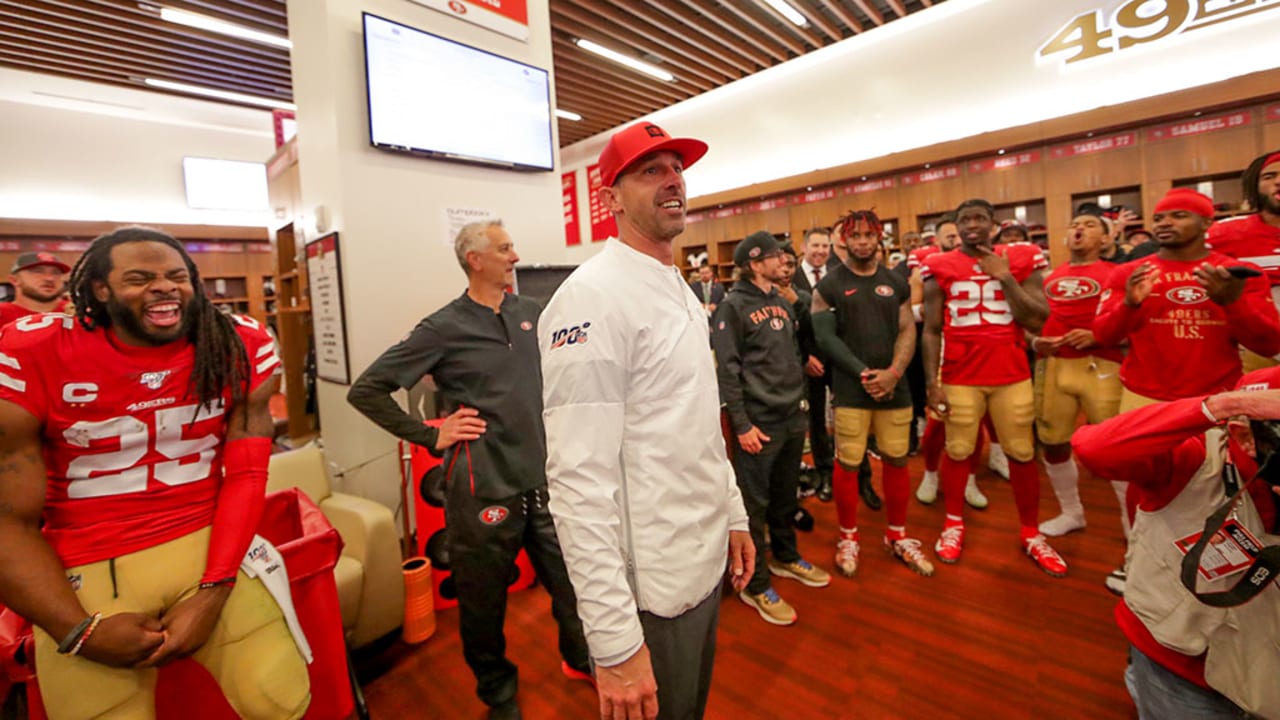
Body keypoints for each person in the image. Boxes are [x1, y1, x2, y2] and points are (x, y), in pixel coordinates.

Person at [0, 226, 309, 719]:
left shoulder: (237, 343)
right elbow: (7, 521)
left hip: (209, 538)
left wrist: (214, 589)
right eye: (140, 278)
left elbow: (247, 476)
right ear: (100, 290)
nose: (163, 287)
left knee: (278, 695)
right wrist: (76, 630)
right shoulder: (33, 351)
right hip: (88, 559)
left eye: (176, 276)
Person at [539, 121, 753, 720]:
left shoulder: (676, 287)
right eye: (650, 171)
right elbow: (578, 486)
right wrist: (611, 641)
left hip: (703, 562)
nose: (672, 181)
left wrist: (732, 513)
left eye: (676, 169)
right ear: (611, 199)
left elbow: (697, 424)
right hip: (651, 594)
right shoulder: (591, 299)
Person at [347, 220, 590, 720]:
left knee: (573, 587)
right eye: (504, 249)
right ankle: (498, 694)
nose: (515, 256)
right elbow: (367, 389)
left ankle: (579, 657)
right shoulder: (443, 327)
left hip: (545, 484)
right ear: (475, 260)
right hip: (484, 490)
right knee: (483, 609)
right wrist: (432, 433)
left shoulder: (532, 314)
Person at [1073, 369, 1280, 720]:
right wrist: (1223, 404)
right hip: (1181, 661)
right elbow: (1094, 448)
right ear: (1245, 432)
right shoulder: (1199, 458)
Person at [921, 199, 1067, 575]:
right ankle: (953, 523)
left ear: (994, 224)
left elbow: (1038, 317)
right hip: (959, 376)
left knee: (1020, 451)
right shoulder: (939, 265)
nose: (972, 225)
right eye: (964, 219)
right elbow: (932, 329)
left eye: (979, 218)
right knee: (958, 449)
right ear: (955, 226)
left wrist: (1004, 276)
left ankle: (1031, 532)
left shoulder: (1020, 259)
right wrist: (931, 385)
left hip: (1010, 374)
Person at [712, 231, 831, 626]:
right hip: (758, 425)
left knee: (785, 496)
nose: (784, 262)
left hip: (791, 417)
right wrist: (742, 425)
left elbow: (794, 355)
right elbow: (727, 372)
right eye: (776, 257)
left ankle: (784, 556)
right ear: (753, 263)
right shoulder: (731, 307)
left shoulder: (782, 301)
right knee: (754, 506)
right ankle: (754, 581)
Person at [812, 209, 934, 578]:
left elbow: (907, 330)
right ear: (843, 240)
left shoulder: (897, 282)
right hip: (852, 390)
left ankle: (897, 535)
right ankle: (848, 536)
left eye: (869, 235)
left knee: (897, 460)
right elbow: (825, 338)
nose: (862, 241)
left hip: (894, 388)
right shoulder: (828, 285)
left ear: (879, 237)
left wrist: (894, 372)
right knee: (848, 462)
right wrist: (864, 373)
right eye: (855, 235)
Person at [1093, 187, 1280, 414]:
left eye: (1179, 216)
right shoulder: (1130, 273)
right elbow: (1104, 336)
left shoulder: (1236, 274)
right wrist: (1129, 306)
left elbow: (1270, 344)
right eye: (1158, 218)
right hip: (1143, 396)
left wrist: (1233, 303)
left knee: (1215, 452)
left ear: (1206, 223)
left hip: (1217, 397)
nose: (1164, 223)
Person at [1030, 208, 1126, 538]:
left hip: (1104, 364)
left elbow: (1135, 323)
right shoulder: (1051, 276)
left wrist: (1101, 336)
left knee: (1116, 446)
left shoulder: (1119, 273)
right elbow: (1040, 320)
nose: (1079, 230)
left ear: (1107, 237)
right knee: (1053, 442)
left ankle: (1134, 524)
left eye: (1089, 225)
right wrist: (1036, 343)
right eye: (1074, 225)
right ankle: (1072, 511)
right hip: (1056, 364)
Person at [913, 218, 991, 509]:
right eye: (950, 236)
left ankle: (970, 476)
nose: (958, 240)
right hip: (946, 352)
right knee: (937, 423)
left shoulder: (987, 263)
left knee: (975, 422)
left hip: (982, 354)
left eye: (960, 235)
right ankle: (931, 474)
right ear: (938, 240)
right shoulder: (930, 266)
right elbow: (913, 311)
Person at [1206, 149, 1280, 371]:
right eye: (1269, 176)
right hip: (1254, 347)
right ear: (1254, 186)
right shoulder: (1225, 232)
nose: (1279, 182)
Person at [793, 227, 836, 501]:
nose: (821, 251)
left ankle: (856, 473)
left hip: (838, 359)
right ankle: (824, 472)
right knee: (817, 420)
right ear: (805, 247)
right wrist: (806, 358)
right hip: (809, 362)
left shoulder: (838, 274)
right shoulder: (790, 277)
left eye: (826, 246)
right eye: (816, 245)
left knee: (847, 416)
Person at [0, 251, 71, 326]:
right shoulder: (2, 314)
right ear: (14, 280)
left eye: (56, 272)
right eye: (38, 271)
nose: (49, 278)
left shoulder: (78, 313)